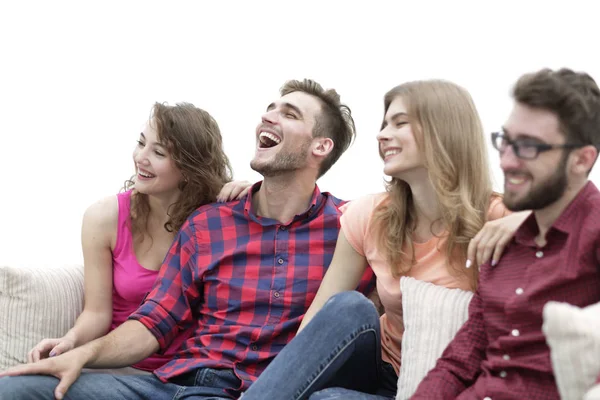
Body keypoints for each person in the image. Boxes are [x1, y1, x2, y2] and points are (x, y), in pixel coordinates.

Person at [0, 79, 374, 400]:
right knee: (17, 389)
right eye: (269, 108)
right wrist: (82, 354)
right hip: (178, 384)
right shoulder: (207, 224)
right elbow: (153, 321)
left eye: (289, 114)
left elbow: (379, 309)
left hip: (271, 387)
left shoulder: (350, 229)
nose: (268, 116)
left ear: (320, 147)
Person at [241, 79, 530, 400]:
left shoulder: (501, 219)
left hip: (453, 384)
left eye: (400, 123)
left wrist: (530, 218)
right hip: (379, 371)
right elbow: (320, 317)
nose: (381, 135)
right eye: (384, 124)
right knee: (348, 307)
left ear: (444, 131)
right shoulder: (368, 214)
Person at [409, 68, 600, 399]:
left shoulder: (593, 234)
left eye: (527, 147)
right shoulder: (501, 244)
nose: (507, 161)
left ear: (581, 159)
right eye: (505, 141)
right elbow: (459, 361)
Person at [26, 102, 250, 374]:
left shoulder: (216, 221)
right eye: (141, 143)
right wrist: (69, 341)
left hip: (191, 374)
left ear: (189, 168)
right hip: (123, 369)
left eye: (158, 152)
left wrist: (255, 194)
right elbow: (97, 313)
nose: (141, 157)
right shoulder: (104, 217)